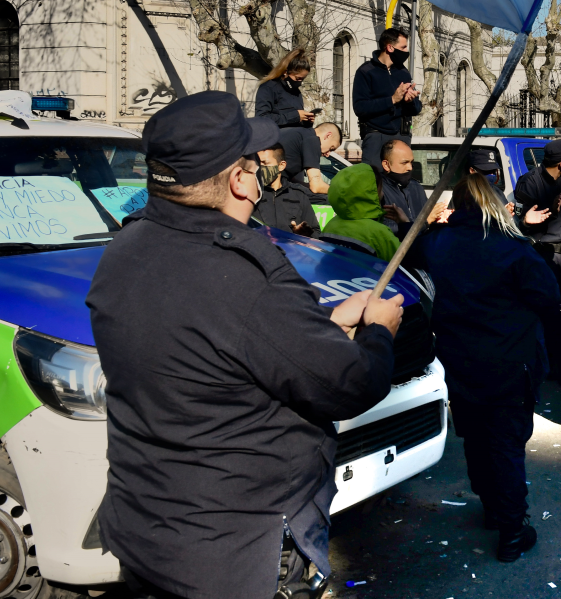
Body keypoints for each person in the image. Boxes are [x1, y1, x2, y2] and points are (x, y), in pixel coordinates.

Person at [86, 91, 403, 599]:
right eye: (256, 166)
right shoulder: (246, 276)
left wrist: (319, 322)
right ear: (239, 181)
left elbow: (210, 346)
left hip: (145, 530)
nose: (262, 177)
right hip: (234, 555)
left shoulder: (125, 249)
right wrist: (377, 330)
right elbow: (350, 384)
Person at [410, 173, 559, 562]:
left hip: (459, 359)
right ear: (493, 203)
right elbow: (549, 298)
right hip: (509, 361)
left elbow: (409, 261)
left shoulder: (436, 243)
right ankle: (511, 528)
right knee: (506, 445)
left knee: (476, 438)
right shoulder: (512, 248)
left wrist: (428, 225)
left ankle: (493, 506)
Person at [514, 139, 561, 385]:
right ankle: (547, 366)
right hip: (540, 256)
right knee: (545, 314)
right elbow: (522, 219)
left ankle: (560, 364)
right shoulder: (530, 182)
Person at [353, 28, 422, 171]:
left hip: (401, 136)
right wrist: (392, 100)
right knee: (373, 182)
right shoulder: (366, 71)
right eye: (403, 47)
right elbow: (360, 107)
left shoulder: (403, 72)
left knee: (401, 181)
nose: (406, 51)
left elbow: (416, 109)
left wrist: (410, 101)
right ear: (390, 47)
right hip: (376, 136)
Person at [324, 162, 401, 260]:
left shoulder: (331, 225)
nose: (383, 194)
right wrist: (405, 225)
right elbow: (408, 261)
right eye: (380, 189)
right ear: (371, 194)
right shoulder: (378, 233)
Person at [378, 138, 448, 234]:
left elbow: (428, 218)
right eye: (404, 163)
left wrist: (440, 217)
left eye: (411, 162)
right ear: (386, 165)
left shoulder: (416, 187)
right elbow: (382, 228)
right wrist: (424, 222)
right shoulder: (378, 190)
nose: (410, 168)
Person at [253, 143, 320, 235]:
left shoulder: (298, 195)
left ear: (281, 165)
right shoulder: (251, 193)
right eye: (257, 163)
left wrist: (302, 234)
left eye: (265, 163)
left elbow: (315, 232)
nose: (260, 168)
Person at [255, 48, 316, 130]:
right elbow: (261, 119)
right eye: (298, 78)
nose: (300, 82)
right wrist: (295, 116)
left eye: (303, 79)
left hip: (295, 139)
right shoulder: (268, 88)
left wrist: (306, 121)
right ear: (285, 72)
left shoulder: (296, 92)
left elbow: (296, 123)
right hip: (276, 139)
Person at [279, 122, 342, 196]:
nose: (328, 154)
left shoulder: (298, 133)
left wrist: (305, 186)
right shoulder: (313, 140)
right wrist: (343, 193)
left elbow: (291, 180)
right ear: (328, 135)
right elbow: (316, 187)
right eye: (331, 148)